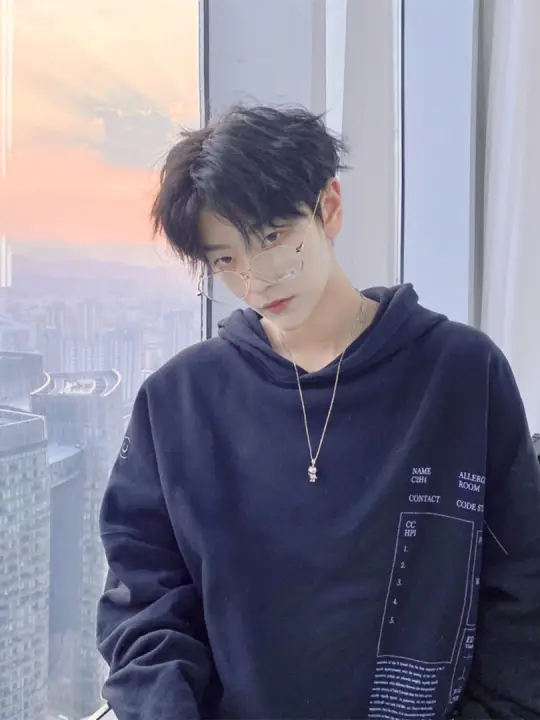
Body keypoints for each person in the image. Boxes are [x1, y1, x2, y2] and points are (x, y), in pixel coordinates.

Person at [96, 105, 540, 720]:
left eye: (272, 237)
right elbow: (143, 603)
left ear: (328, 207)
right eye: (225, 260)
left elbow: (521, 589)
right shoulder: (177, 400)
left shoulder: (461, 373)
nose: (256, 278)